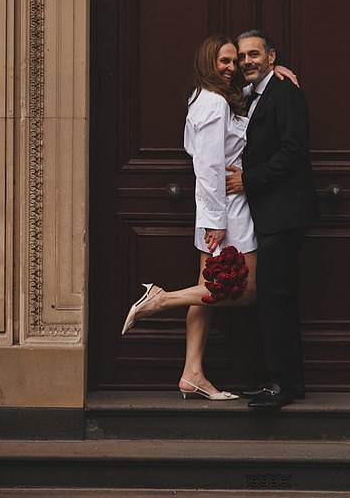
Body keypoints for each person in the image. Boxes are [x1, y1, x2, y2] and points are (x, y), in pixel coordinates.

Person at [121, 34, 297, 401]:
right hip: (226, 213)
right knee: (245, 291)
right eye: (225, 62)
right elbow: (209, 167)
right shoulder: (214, 104)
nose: (233, 67)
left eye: (236, 61)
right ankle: (161, 299)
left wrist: (274, 69)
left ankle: (192, 372)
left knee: (206, 292)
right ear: (207, 64)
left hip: (219, 211)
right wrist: (216, 221)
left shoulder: (215, 98)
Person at [226, 29, 319, 408]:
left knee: (276, 298)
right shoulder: (251, 95)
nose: (247, 61)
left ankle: (280, 386)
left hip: (284, 214)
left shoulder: (286, 93)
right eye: (243, 56)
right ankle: (287, 382)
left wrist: (249, 179)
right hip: (270, 215)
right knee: (276, 297)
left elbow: (294, 151)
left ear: (271, 56)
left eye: (254, 55)